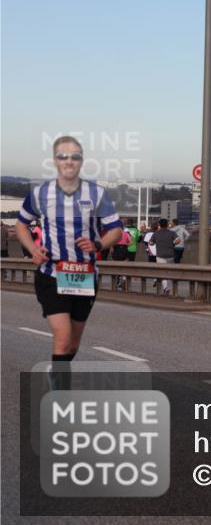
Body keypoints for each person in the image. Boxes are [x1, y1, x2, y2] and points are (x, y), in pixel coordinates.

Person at [14, 135, 123, 389]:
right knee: (62, 338)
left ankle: (58, 367)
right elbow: (21, 224)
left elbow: (115, 230)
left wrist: (98, 245)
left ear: (81, 161)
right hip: (52, 272)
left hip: (84, 275)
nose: (69, 161)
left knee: (72, 343)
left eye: (75, 156)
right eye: (63, 156)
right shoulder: (40, 193)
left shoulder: (97, 194)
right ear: (55, 161)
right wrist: (33, 249)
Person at [152, 218, 179, 295]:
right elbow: (178, 240)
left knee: (162, 272)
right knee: (169, 272)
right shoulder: (172, 233)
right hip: (170, 255)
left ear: (159, 225)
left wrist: (155, 243)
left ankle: (165, 288)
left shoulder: (156, 233)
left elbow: (151, 243)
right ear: (167, 225)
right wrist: (173, 244)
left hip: (160, 255)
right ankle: (168, 288)